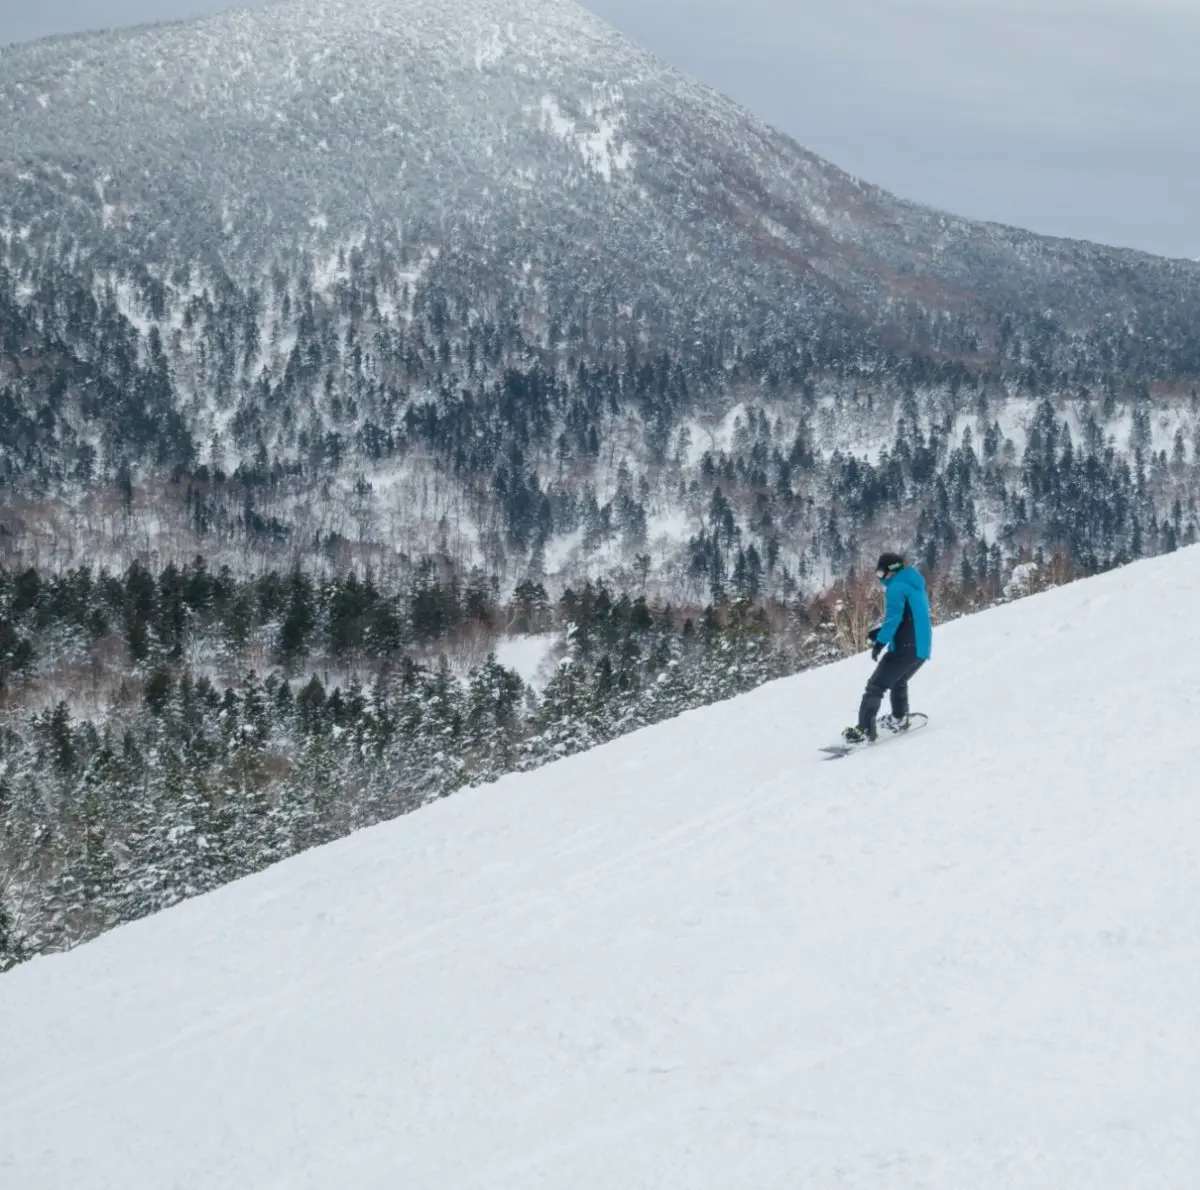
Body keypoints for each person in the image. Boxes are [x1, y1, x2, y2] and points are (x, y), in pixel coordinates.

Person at [842, 552, 932, 744]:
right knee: (898, 681)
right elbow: (909, 618)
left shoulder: (896, 587)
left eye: (881, 574)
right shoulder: (915, 586)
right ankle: (900, 718)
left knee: (875, 686)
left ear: (890, 571)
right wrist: (880, 633)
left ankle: (864, 729)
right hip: (921, 649)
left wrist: (880, 642)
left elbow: (894, 618)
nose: (880, 579)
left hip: (904, 647)